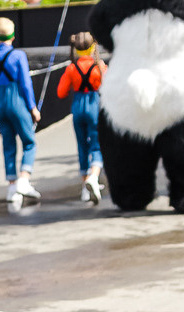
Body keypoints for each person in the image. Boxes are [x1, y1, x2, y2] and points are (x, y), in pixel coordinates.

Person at [0, 16, 41, 208]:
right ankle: (24, 179)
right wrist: (32, 107)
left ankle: (11, 188)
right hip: (17, 102)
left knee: (8, 145)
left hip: (0, 104)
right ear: (13, 36)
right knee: (29, 142)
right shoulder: (18, 56)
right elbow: (25, 84)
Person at [56, 34, 106, 204]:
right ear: (93, 48)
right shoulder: (99, 66)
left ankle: (85, 186)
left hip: (78, 108)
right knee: (97, 144)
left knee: (82, 145)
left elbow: (61, 92)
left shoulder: (71, 68)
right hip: (94, 106)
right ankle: (94, 176)